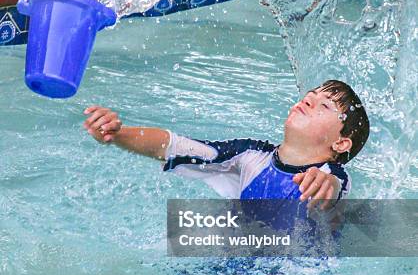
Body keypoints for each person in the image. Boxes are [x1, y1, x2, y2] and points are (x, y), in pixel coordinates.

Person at [82, 79, 369, 210]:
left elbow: (333, 187)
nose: (309, 100)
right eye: (310, 94)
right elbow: (174, 146)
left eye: (325, 106)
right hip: (231, 271)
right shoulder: (250, 156)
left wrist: (324, 185)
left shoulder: (332, 176)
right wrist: (117, 134)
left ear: (341, 143)